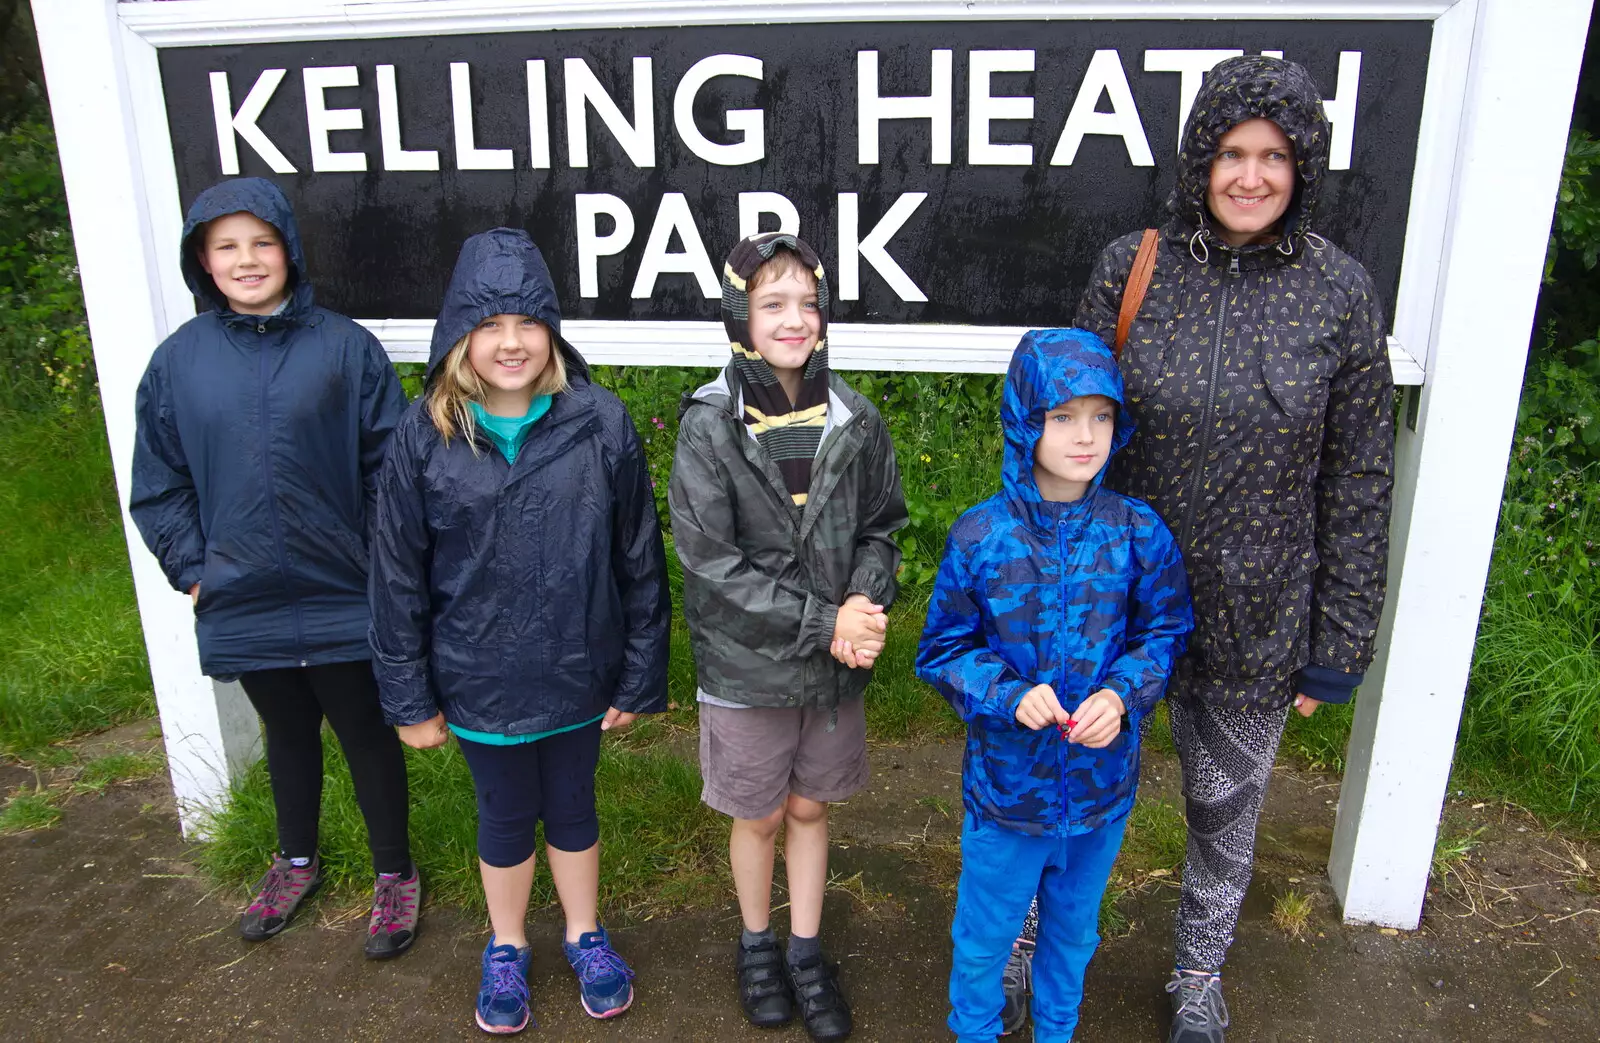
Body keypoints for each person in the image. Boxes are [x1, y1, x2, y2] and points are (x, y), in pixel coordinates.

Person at [1072, 55, 1396, 1043]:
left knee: (1223, 817)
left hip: (1258, 615)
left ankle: (1198, 974)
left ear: (1302, 165)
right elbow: (1060, 432)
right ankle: (1033, 947)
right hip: (1117, 608)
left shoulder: (1339, 293)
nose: (1249, 175)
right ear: (1197, 160)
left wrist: (1338, 638)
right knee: (1071, 800)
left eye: (1273, 155)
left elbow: (1359, 477)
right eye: (1229, 153)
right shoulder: (1133, 265)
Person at [367, 228, 670, 1034]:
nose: (511, 342)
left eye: (528, 323)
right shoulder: (422, 433)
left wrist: (641, 672)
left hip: (579, 668)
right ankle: (506, 945)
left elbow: (639, 556)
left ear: (553, 331)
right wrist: (407, 695)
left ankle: (585, 933)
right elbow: (396, 574)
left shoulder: (599, 422)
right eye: (491, 323)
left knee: (572, 803)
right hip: (476, 677)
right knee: (503, 813)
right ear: (459, 333)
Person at [129, 177, 417, 956]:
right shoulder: (178, 363)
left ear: (288, 247)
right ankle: (295, 861)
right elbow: (159, 484)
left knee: (364, 730)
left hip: (341, 593)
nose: (247, 259)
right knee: (286, 732)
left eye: (262, 242)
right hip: (242, 593)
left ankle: (395, 874)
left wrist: (381, 570)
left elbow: (390, 468)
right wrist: (197, 570)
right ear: (204, 261)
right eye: (227, 246)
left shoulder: (343, 348)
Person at [917, 328, 1193, 1043]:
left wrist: (1123, 694)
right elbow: (943, 649)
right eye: (1063, 416)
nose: (1085, 435)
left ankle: (1056, 1030)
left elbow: (1164, 632)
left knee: (1072, 935)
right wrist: (1007, 692)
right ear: (1023, 419)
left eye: (1101, 415)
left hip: (1100, 793)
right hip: (1008, 794)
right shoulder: (982, 536)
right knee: (985, 937)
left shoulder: (1137, 532)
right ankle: (975, 1030)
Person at [668, 232, 908, 1042]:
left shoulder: (857, 418)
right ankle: (758, 943)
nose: (794, 318)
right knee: (762, 814)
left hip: (832, 667)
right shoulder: (709, 426)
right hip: (748, 668)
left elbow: (882, 528)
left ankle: (807, 949)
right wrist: (823, 620)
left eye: (808, 302)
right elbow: (711, 564)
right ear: (740, 317)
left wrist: (865, 605)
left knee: (810, 806)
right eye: (772, 303)